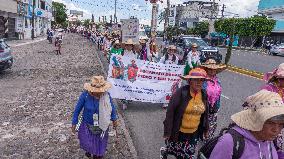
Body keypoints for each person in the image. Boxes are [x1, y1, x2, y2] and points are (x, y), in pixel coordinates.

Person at [209, 90, 284, 159]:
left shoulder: (270, 140)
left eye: (281, 124)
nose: (276, 130)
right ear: (256, 119)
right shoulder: (229, 142)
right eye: (270, 123)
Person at [162, 68, 209, 159]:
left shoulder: (204, 94)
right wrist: (167, 132)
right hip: (179, 132)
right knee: (174, 151)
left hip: (194, 133)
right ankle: (164, 152)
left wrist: (206, 129)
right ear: (189, 81)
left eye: (201, 80)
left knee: (187, 156)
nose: (199, 82)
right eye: (196, 79)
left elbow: (205, 114)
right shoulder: (181, 92)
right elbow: (170, 112)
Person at [71, 76, 118, 159]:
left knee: (99, 144)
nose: (99, 93)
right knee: (88, 142)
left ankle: (97, 154)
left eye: (101, 91)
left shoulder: (106, 95)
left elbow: (112, 108)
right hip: (87, 124)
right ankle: (89, 150)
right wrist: (74, 122)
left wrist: (114, 120)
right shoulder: (85, 95)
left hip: (102, 124)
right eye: (97, 91)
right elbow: (77, 110)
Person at [201, 59, 227, 140]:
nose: (212, 71)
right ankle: (200, 135)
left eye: (214, 69)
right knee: (203, 123)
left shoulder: (217, 80)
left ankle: (208, 138)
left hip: (214, 106)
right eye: (210, 69)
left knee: (212, 124)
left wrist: (217, 105)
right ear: (206, 69)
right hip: (204, 106)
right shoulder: (202, 80)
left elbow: (218, 95)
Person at [262, 63, 284, 158]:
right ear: (278, 78)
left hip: (281, 125)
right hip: (270, 125)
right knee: (270, 148)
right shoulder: (268, 89)